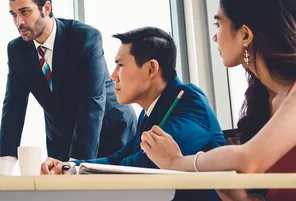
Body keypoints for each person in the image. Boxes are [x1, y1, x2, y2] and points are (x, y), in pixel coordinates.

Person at [141, 0, 296, 201]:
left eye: (219, 23)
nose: (215, 37)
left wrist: (178, 162)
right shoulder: (265, 99)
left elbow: (249, 160)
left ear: (245, 34)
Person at [40, 27, 225, 200]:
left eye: (120, 65)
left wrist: (77, 171)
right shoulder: (148, 113)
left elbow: (143, 164)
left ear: (151, 69)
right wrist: (69, 166)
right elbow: (119, 157)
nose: (113, 75)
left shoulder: (189, 101)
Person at [0, 0, 136, 174]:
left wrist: (75, 165)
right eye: (13, 14)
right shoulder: (17, 49)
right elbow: (13, 107)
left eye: (25, 12)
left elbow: (92, 102)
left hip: (111, 132)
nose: (19, 22)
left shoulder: (85, 38)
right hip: (61, 140)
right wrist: (4, 166)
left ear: (46, 8)